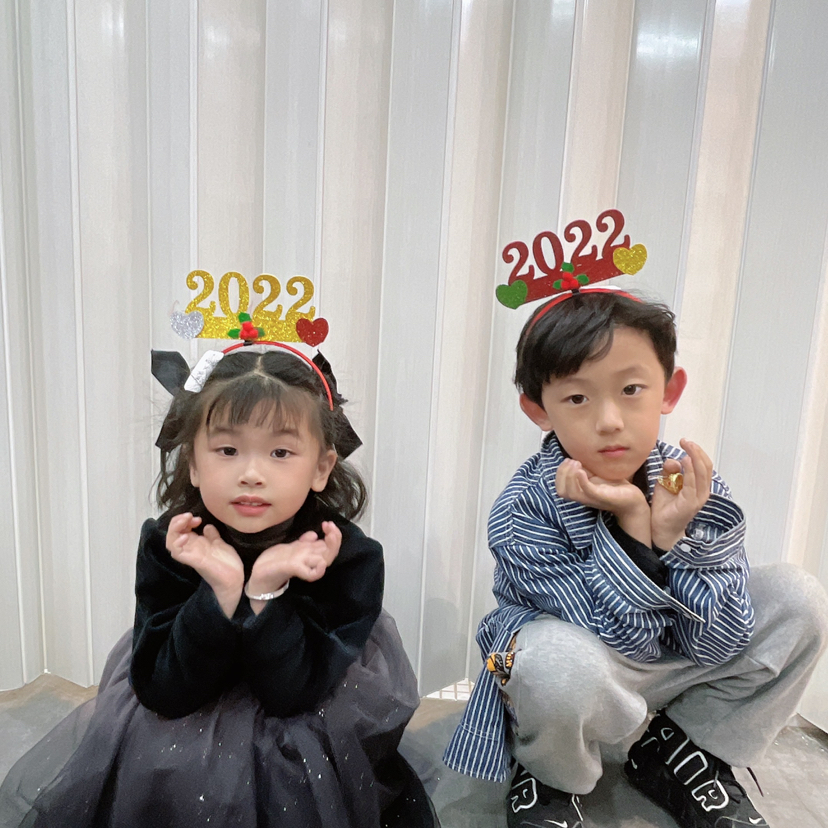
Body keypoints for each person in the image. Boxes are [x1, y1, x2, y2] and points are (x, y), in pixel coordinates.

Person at [0, 344, 437, 828]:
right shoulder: (173, 541)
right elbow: (164, 692)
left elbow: (293, 697)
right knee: (161, 765)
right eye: (227, 450)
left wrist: (266, 588)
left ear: (321, 467)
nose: (251, 474)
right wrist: (220, 592)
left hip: (303, 717)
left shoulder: (347, 556)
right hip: (186, 702)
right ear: (192, 462)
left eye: (280, 452)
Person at [444, 289, 828, 828]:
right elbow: (618, 644)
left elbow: (720, 640)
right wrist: (634, 526)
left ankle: (683, 750)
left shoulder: (684, 481)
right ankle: (551, 774)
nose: (609, 420)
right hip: (589, 669)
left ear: (669, 391)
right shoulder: (523, 507)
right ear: (538, 410)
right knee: (550, 665)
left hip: (672, 657)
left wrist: (673, 538)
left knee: (798, 599)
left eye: (630, 389)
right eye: (577, 397)